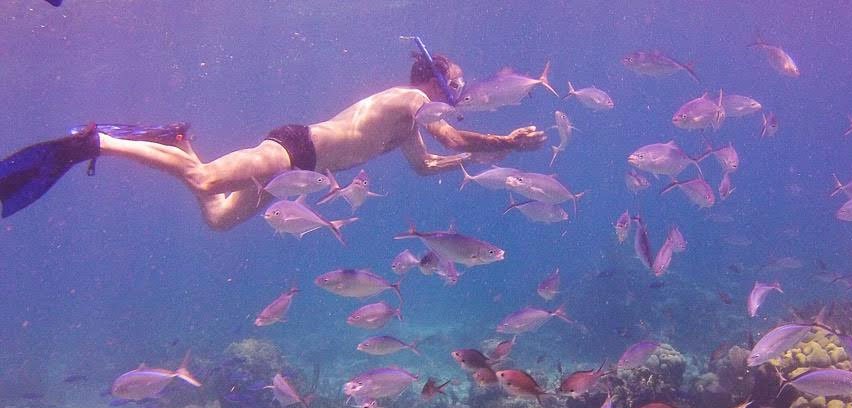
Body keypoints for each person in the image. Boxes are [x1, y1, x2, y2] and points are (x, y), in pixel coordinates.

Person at [0, 53, 546, 229]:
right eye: (454, 81)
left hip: (301, 177)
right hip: (295, 149)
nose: (458, 90)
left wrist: (485, 153)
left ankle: (174, 140)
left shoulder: (409, 127)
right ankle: (95, 145)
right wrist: (505, 141)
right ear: (432, 81)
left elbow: (428, 165)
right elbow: (449, 132)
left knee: (217, 218)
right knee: (206, 177)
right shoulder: (410, 101)